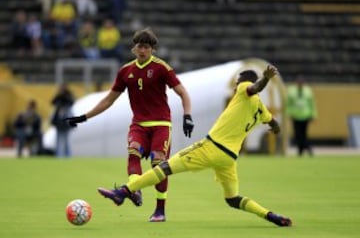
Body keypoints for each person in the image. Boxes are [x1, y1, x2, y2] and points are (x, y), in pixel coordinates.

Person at [96, 66, 293, 227]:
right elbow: (272, 121)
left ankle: (123, 192)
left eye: (237, 82)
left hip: (211, 148)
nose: (235, 86)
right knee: (232, 199)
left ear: (243, 81)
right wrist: (275, 128)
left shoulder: (245, 89)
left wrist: (265, 79)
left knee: (163, 167)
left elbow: (254, 88)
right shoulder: (261, 109)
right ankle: (270, 216)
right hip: (229, 158)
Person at [65, 28, 194, 222]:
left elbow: (183, 92)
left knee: (158, 165)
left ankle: (160, 210)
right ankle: (136, 191)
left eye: (147, 47)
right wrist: (84, 117)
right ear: (134, 48)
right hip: (139, 125)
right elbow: (108, 100)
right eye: (140, 46)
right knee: (133, 153)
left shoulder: (162, 68)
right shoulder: (126, 71)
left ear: (152, 50)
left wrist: (187, 116)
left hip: (161, 124)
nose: (143, 50)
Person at [286, 76, 317, 156]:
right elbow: (289, 103)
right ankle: (305, 149)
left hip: (305, 115)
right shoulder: (292, 91)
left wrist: (313, 114)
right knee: (297, 135)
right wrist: (289, 113)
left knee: (304, 134)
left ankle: (302, 151)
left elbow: (312, 103)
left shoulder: (308, 91)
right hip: (296, 116)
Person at [51, 84, 75, 157]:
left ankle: (67, 155)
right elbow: (52, 102)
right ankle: (59, 155)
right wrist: (59, 95)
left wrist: (64, 95)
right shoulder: (58, 97)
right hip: (59, 122)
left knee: (66, 140)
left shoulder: (68, 96)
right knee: (59, 139)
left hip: (66, 121)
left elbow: (71, 102)